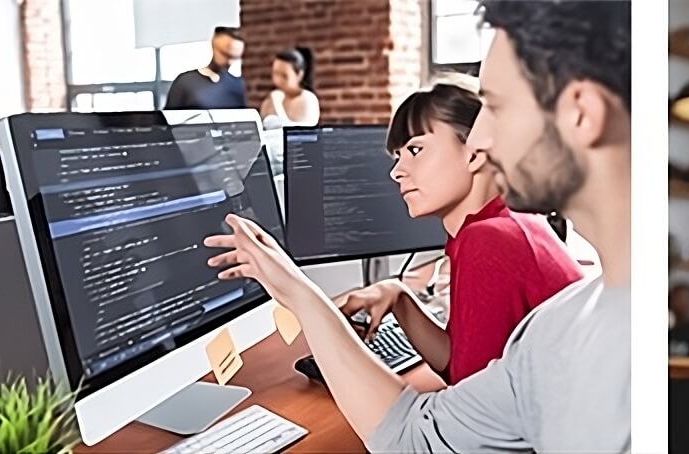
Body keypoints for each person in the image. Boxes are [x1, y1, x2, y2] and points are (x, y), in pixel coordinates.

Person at [201, 0, 631, 451]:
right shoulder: (553, 328)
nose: (480, 141)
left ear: (582, 113)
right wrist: (401, 299)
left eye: (497, 108)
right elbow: (425, 428)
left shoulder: (496, 243)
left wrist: (299, 293)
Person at [333, 72, 582, 385]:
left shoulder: (489, 240)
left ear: (475, 152)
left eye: (414, 150)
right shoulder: (506, 221)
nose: (397, 172)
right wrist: (399, 297)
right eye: (398, 156)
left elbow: (468, 398)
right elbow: (459, 364)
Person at [163, 27, 246, 110]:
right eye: (225, 55)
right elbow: (167, 119)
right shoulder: (185, 82)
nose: (229, 62)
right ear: (214, 47)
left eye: (235, 57)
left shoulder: (238, 85)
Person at [259, 48, 319, 126]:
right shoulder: (269, 101)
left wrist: (277, 106)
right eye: (275, 74)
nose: (278, 81)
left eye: (284, 76)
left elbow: (301, 132)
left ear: (299, 75)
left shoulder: (308, 99)